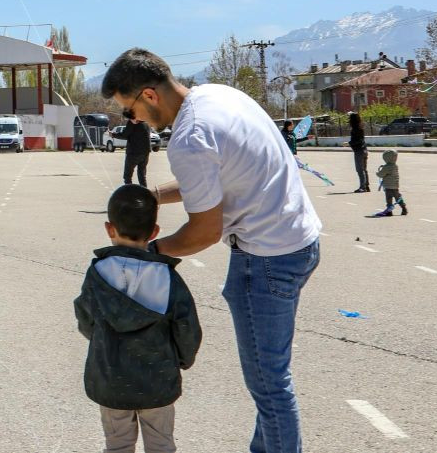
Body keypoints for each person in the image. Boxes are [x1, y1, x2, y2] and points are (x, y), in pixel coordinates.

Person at [102, 48, 321, 453]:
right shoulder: (218, 96)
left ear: (149, 95)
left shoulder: (189, 138)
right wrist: (149, 196)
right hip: (300, 241)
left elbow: (203, 232)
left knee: (270, 387)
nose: (132, 121)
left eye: (129, 111)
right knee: (270, 379)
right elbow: (209, 181)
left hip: (266, 259)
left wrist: (145, 251)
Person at [74, 184, 201, 453]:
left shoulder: (98, 273)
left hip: (110, 378)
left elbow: (85, 319)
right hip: (158, 381)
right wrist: (182, 360)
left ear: (110, 229)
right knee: (161, 444)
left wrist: (99, 340)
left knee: (117, 444)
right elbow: (187, 327)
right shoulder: (167, 277)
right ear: (154, 232)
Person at [121, 109, 152, 187]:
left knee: (127, 177)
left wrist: (113, 134)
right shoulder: (146, 123)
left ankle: (129, 195)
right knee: (142, 176)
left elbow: (124, 135)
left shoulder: (132, 123)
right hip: (145, 153)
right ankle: (145, 195)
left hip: (133, 153)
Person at [374, 150, 408, 217]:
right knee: (398, 197)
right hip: (395, 185)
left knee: (389, 199)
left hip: (388, 186)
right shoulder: (395, 166)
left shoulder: (387, 167)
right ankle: (404, 208)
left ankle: (389, 211)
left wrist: (377, 173)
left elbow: (381, 174)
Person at [348, 112, 369, 192]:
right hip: (364, 150)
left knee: (360, 170)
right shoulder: (361, 127)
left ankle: (362, 187)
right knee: (364, 169)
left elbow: (357, 141)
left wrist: (349, 143)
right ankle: (366, 186)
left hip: (359, 151)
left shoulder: (355, 129)